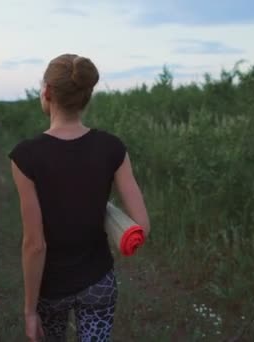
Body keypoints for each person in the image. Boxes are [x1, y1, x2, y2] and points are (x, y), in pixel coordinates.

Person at [8, 53, 150, 342]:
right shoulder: (113, 148)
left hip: (51, 290)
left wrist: (29, 311)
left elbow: (35, 245)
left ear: (47, 92)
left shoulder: (25, 157)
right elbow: (141, 227)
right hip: (99, 282)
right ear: (86, 95)